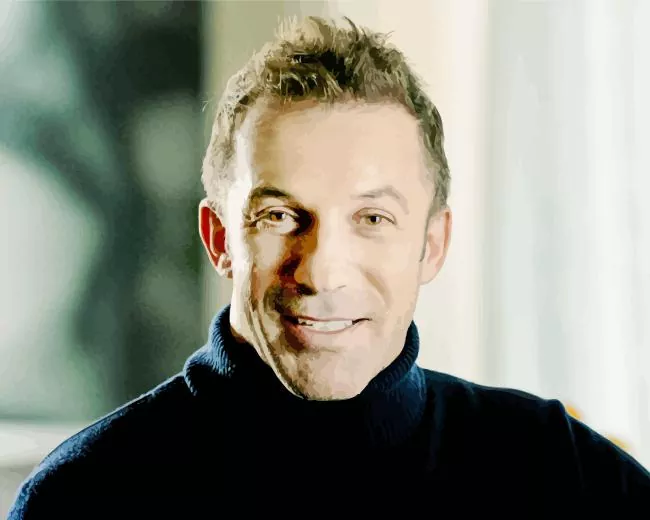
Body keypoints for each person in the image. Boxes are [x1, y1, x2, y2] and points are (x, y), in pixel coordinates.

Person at [8, 15, 650, 518]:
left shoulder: (559, 473)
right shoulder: (83, 497)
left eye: (372, 218)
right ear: (219, 238)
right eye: (280, 216)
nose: (320, 274)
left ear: (432, 245)